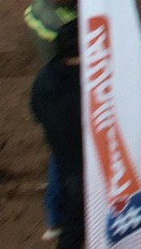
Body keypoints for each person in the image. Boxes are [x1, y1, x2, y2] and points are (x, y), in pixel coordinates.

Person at [33, 21, 86, 249]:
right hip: (84, 167)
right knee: (79, 223)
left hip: (63, 157)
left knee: (72, 226)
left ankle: (54, 221)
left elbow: (35, 112)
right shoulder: (82, 86)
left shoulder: (45, 75)